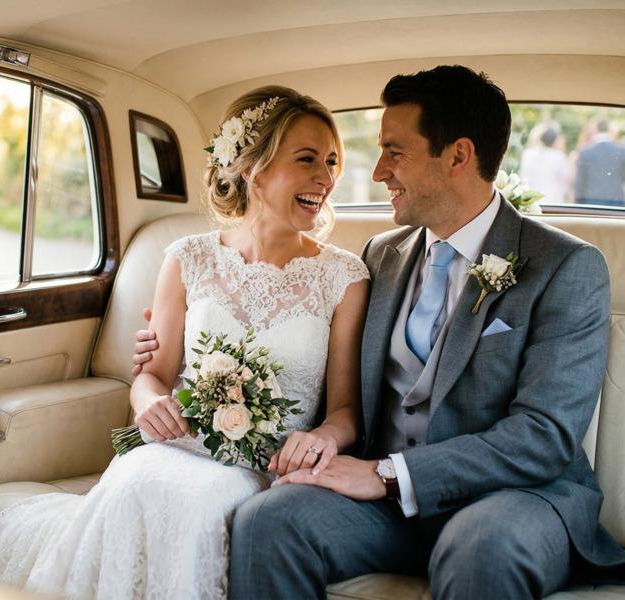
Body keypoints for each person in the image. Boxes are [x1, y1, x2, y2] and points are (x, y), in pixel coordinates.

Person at [132, 66, 624, 599]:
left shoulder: (565, 266)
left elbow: (543, 436)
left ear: (458, 156)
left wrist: (390, 475)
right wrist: (172, 363)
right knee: (270, 519)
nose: (377, 172)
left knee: (482, 546)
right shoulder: (381, 257)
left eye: (396, 151)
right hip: (382, 507)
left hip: (515, 499)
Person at [0, 85, 370, 599]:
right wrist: (150, 403)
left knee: (196, 504)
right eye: (308, 159)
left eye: (332, 162)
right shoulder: (188, 258)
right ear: (253, 168)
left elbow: (346, 412)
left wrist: (323, 439)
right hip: (176, 446)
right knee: (135, 481)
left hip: (260, 469)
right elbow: (152, 375)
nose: (326, 178)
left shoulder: (344, 277)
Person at [574, 119, 625, 206]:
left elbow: (580, 182)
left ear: (596, 130)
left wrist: (578, 203)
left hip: (591, 201)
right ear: (608, 130)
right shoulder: (621, 151)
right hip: (616, 201)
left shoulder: (585, 152)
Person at [520, 122, 570, 203]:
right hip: (553, 200)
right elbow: (565, 180)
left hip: (531, 200)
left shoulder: (527, 154)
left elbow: (523, 177)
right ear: (554, 140)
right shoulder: (559, 156)